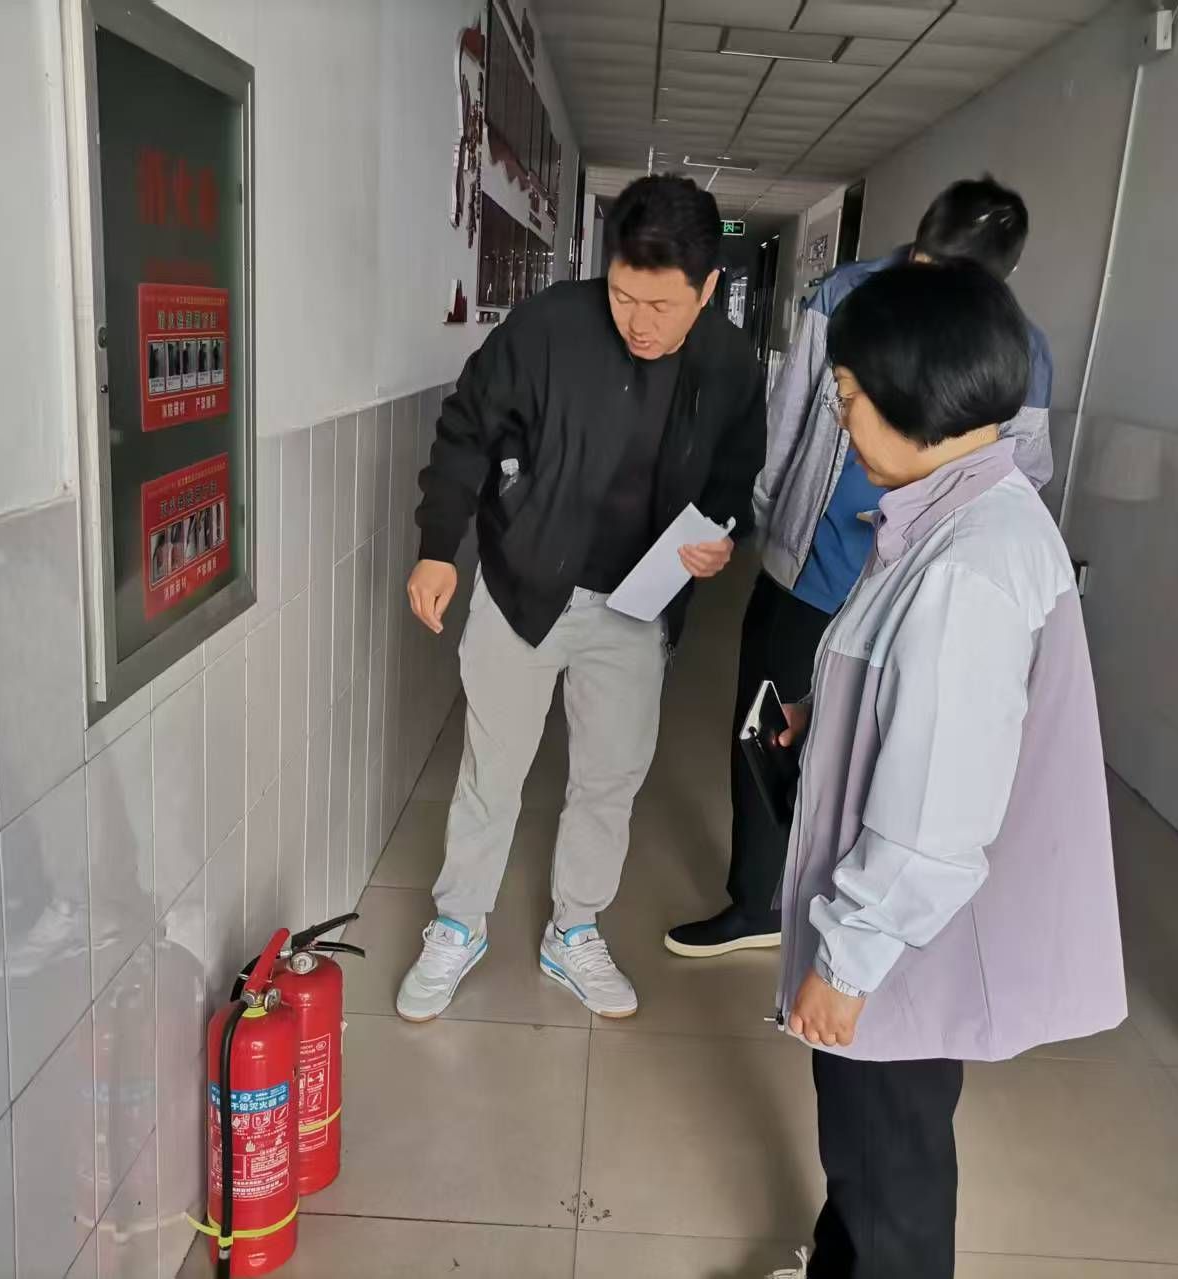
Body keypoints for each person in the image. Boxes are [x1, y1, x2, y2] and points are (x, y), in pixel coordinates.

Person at [765, 260, 1125, 1279]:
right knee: (871, 1149)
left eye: (846, 396)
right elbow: (918, 705)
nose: (841, 421)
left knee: (891, 1167)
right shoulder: (963, 512)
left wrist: (847, 962)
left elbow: (933, 816)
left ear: (910, 391)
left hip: (898, 939)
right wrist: (825, 714)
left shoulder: (968, 563)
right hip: (901, 934)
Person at [396, 175, 765, 1022]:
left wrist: (722, 536)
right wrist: (439, 546)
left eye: (662, 306)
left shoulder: (728, 363)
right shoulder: (550, 326)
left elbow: (736, 474)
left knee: (609, 778)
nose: (639, 321)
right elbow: (465, 428)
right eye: (624, 295)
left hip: (638, 605)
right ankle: (458, 923)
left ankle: (575, 929)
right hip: (524, 586)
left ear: (709, 287)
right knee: (492, 771)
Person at [666, 174, 1057, 958]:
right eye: (923, 265)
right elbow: (786, 424)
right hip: (812, 570)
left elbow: (1026, 468)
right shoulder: (847, 295)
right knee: (770, 731)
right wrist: (765, 528)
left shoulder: (1019, 348)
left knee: (889, 757)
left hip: (911, 586)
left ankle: (850, 912)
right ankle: (758, 899)